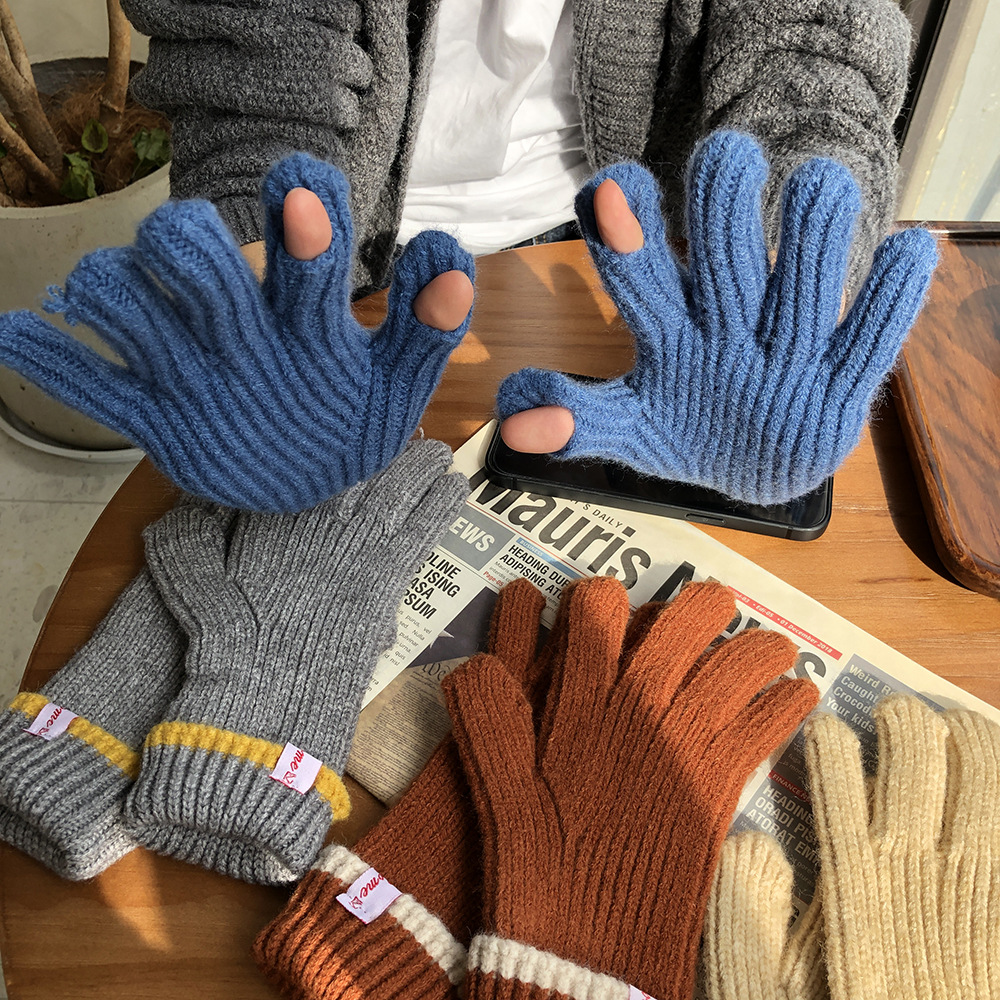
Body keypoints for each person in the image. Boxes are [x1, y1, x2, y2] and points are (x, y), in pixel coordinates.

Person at [119, 0, 917, 461]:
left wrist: (782, 277)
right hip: (346, 242)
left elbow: (815, 50)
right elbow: (256, 51)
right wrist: (257, 277)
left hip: (634, 255)